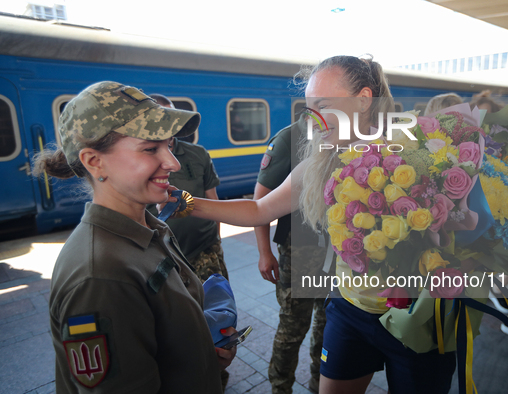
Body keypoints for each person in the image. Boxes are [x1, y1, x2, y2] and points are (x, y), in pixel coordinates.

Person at [168, 55, 457, 394]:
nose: (313, 118)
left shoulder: (419, 155)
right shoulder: (320, 163)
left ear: (364, 99)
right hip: (351, 311)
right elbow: (259, 209)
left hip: (417, 316)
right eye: (309, 107)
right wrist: (184, 203)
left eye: (324, 105)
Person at [35, 81, 236, 393]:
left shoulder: (149, 227)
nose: (173, 162)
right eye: (150, 148)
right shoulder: (100, 276)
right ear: (94, 161)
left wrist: (202, 358)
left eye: (169, 145)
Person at [254, 115, 327, 393]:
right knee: (293, 328)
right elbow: (260, 201)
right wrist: (264, 252)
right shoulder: (290, 137)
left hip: (337, 253)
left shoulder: (348, 135)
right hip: (299, 252)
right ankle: (280, 386)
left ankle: (320, 382)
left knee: (327, 324)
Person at [148, 94, 228, 283]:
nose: (172, 164)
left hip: (205, 249)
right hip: (161, 255)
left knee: (215, 305)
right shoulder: (138, 163)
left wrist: (216, 239)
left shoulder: (198, 154)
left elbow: (213, 199)